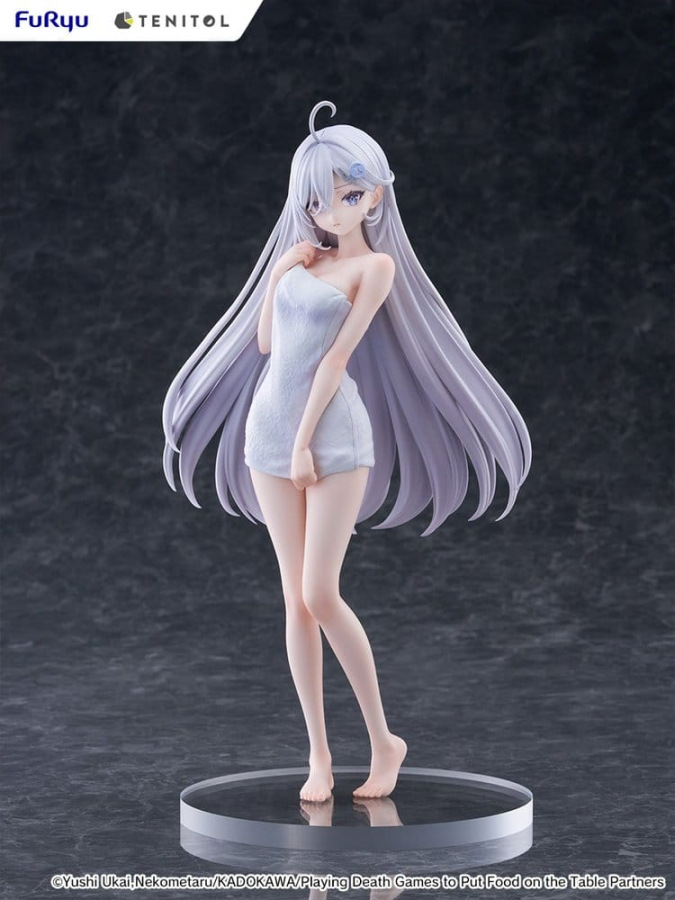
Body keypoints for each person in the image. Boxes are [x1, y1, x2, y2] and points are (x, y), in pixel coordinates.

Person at [162, 101, 531, 802]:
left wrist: (305, 441)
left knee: (319, 592)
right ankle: (319, 755)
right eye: (316, 201)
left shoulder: (375, 267)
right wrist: (280, 272)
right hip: (267, 433)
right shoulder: (306, 260)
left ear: (374, 195)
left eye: (346, 195)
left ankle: (384, 741)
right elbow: (267, 344)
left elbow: (334, 361)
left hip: (331, 437)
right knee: (293, 603)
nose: (329, 211)